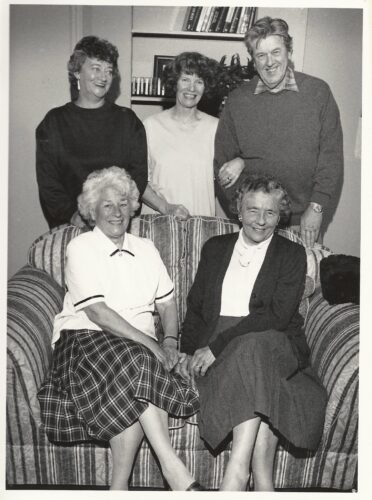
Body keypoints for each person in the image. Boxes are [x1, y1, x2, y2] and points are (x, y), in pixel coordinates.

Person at [37, 167, 204, 491]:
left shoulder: (147, 249)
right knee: (142, 361)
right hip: (85, 341)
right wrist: (155, 347)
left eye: (123, 204)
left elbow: (167, 305)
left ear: (133, 208)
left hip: (133, 351)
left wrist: (169, 340)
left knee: (133, 378)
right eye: (107, 205)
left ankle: (118, 487)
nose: (117, 212)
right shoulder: (82, 248)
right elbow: (98, 313)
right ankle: (174, 471)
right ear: (91, 211)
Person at [177, 175, 327, 491]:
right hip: (218, 348)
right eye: (253, 210)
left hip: (276, 342)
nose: (260, 220)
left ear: (280, 215)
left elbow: (275, 316)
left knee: (252, 345)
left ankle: (237, 467)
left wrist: (216, 346)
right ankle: (260, 482)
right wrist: (187, 351)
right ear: (239, 211)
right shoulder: (215, 248)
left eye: (269, 212)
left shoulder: (291, 254)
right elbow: (196, 306)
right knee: (251, 359)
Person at [214, 17, 343, 247]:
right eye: (260, 55)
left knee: (305, 281)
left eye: (276, 52)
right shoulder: (237, 100)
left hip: (303, 222)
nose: (269, 62)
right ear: (253, 59)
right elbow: (222, 167)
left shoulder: (318, 93)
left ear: (288, 51)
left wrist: (317, 207)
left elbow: (331, 159)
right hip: (255, 223)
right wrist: (246, 213)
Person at [36, 36, 147, 229]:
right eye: (96, 68)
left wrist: (116, 214)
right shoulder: (53, 122)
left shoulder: (128, 121)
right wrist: (74, 217)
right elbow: (49, 184)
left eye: (109, 71)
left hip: (117, 224)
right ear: (77, 72)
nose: (104, 77)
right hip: (71, 226)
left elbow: (138, 177)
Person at [141, 52, 219, 219]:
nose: (191, 88)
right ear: (174, 82)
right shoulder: (151, 126)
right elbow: (137, 181)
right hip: (159, 223)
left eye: (199, 81)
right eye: (185, 79)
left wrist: (240, 161)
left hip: (201, 224)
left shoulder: (216, 128)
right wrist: (165, 207)